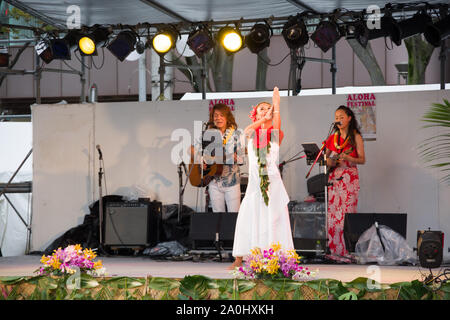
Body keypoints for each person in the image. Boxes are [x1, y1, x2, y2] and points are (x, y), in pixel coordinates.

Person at [230, 87, 294, 269]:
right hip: (255, 183)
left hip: (272, 181)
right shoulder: (251, 134)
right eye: (262, 109)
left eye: (268, 108)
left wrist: (277, 106)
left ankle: (275, 257)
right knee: (249, 215)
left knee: (273, 217)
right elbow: (247, 130)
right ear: (255, 114)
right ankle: (242, 258)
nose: (266, 111)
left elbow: (277, 124)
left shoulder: (275, 134)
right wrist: (264, 119)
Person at [325, 105, 366, 263]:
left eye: (341, 117)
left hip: (349, 179)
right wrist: (331, 161)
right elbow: (325, 158)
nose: (338, 120)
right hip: (335, 179)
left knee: (346, 216)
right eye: (336, 117)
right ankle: (335, 251)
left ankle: (347, 252)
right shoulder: (333, 137)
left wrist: (349, 159)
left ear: (349, 118)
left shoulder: (355, 136)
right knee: (333, 216)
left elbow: (362, 159)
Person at [199, 103, 244, 213]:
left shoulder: (236, 134)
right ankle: (219, 232)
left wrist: (235, 157)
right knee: (218, 216)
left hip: (231, 182)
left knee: (234, 215)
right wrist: (201, 162)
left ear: (227, 117)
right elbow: (198, 152)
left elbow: (242, 159)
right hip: (214, 181)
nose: (218, 118)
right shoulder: (208, 134)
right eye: (215, 115)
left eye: (221, 115)